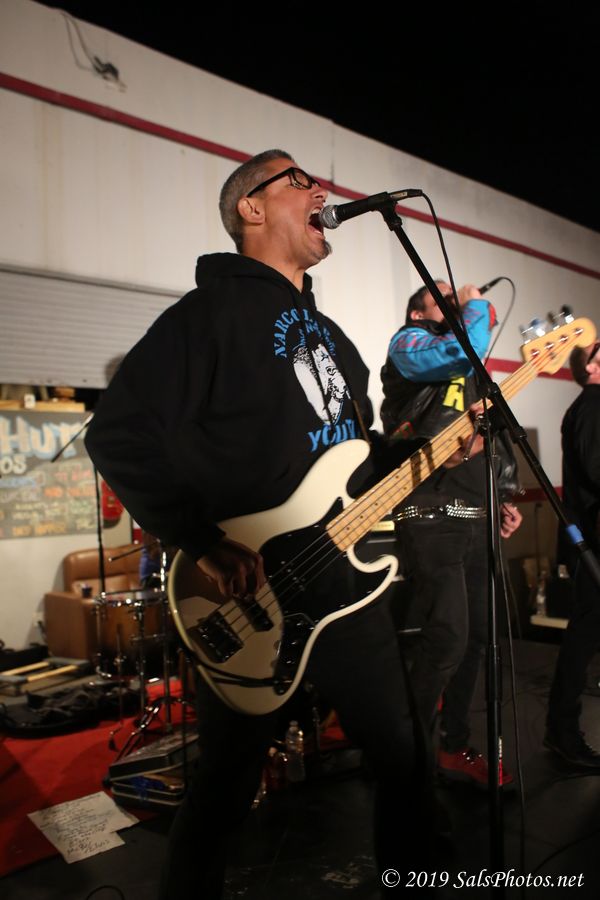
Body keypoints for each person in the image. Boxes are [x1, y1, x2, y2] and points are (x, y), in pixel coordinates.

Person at [85, 150, 435, 898]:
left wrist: (422, 453)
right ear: (251, 208)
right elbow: (117, 434)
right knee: (226, 784)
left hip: (343, 588)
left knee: (404, 759)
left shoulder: (333, 338)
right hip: (250, 593)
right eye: (299, 181)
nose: (322, 190)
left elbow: (356, 459)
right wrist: (201, 539)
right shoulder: (204, 317)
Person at [380, 280, 522, 788]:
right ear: (419, 313)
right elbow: (462, 349)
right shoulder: (408, 344)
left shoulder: (471, 367)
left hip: (476, 510)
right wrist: (475, 304)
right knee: (448, 638)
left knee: (479, 637)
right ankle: (408, 753)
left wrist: (505, 495)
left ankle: (452, 743)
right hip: (430, 508)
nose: (454, 302)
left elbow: (495, 434)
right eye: (441, 298)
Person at [545, 342, 600, 767]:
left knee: (584, 634)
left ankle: (561, 732)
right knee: (583, 636)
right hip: (595, 540)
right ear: (592, 367)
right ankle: (563, 733)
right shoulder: (594, 406)